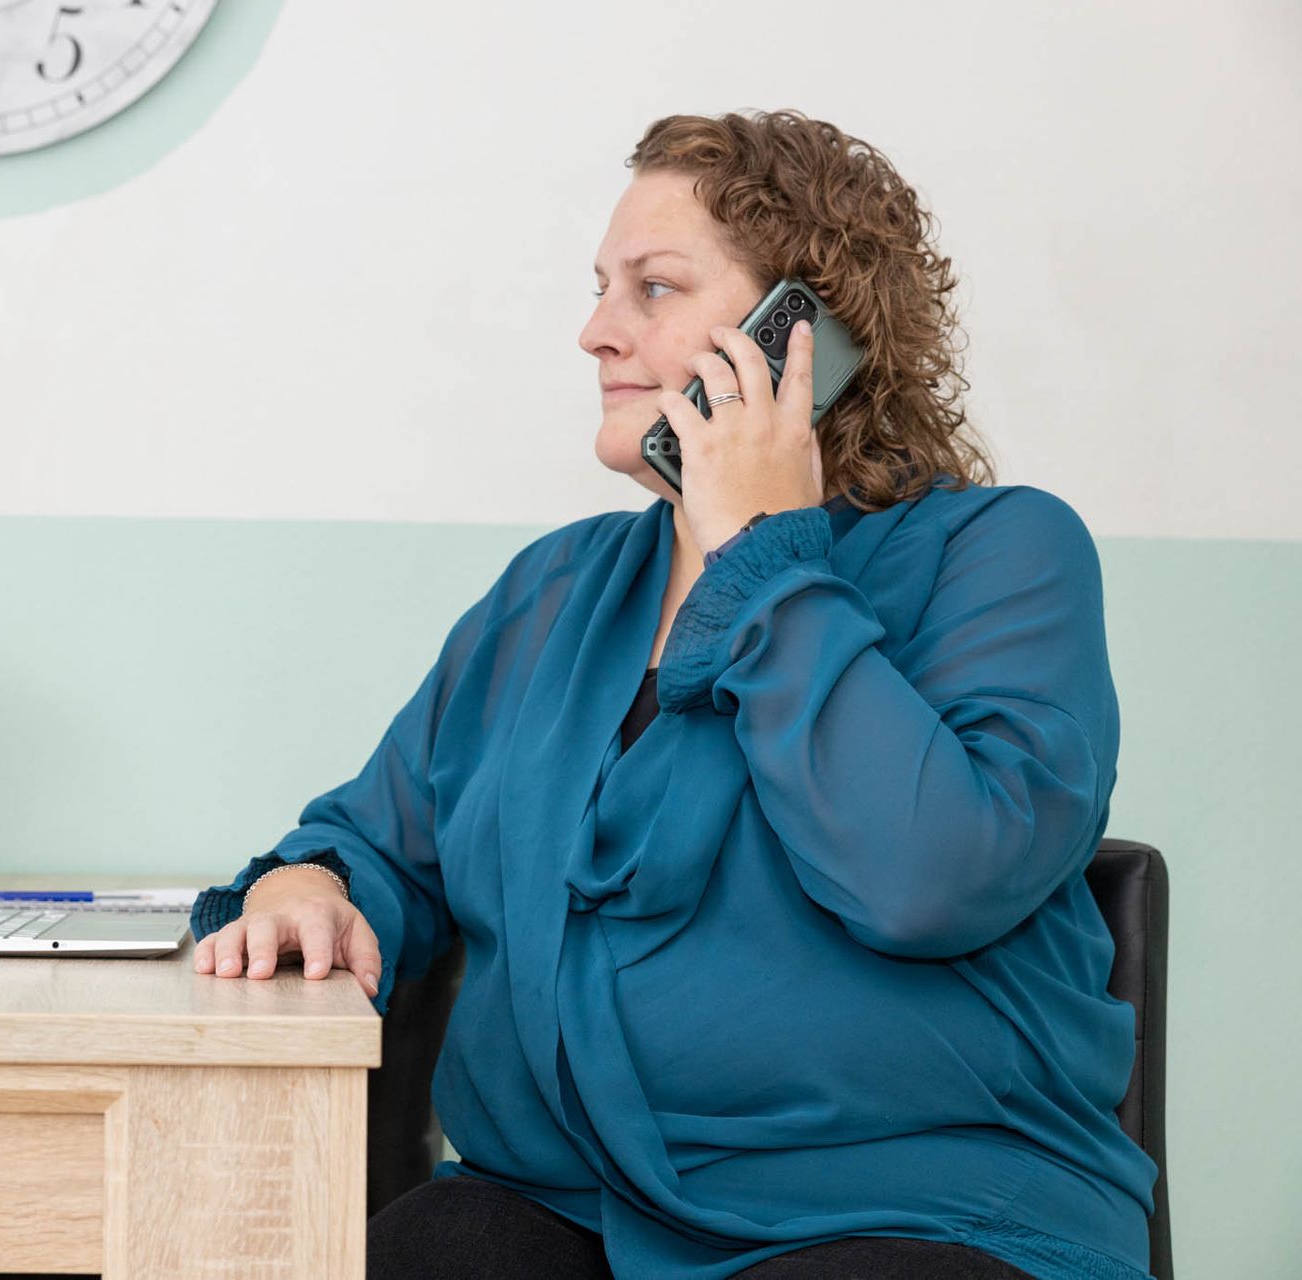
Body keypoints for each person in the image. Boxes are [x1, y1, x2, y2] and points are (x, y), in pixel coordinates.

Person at [189, 109, 1157, 1280]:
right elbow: (383, 840)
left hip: (910, 1208)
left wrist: (761, 548)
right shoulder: (554, 589)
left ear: (805, 333)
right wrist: (312, 884)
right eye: (601, 289)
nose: (597, 331)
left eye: (653, 288)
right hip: (562, 1201)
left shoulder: (1003, 554)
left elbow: (927, 878)